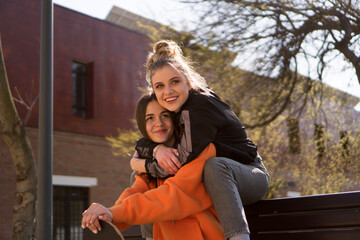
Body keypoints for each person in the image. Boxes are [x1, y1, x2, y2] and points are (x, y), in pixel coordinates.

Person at [135, 40, 270, 240]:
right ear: (154, 92)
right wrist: (155, 151)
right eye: (160, 86)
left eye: (175, 82)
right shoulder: (174, 109)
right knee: (142, 177)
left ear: (188, 81)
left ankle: (239, 238)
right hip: (213, 185)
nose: (168, 91)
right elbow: (147, 140)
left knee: (215, 167)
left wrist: (140, 161)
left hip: (249, 174)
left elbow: (177, 164)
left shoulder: (198, 106)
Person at [81, 92, 225, 240]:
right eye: (150, 118)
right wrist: (107, 215)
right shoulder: (150, 164)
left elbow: (172, 196)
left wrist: (115, 213)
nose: (158, 123)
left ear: (175, 118)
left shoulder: (199, 149)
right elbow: (136, 192)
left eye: (165, 115)